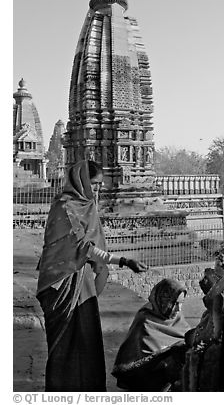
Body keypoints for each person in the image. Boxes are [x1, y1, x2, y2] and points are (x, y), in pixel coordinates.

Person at [36, 159, 148, 392]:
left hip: (82, 280)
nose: (97, 189)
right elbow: (84, 248)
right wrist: (124, 261)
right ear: (82, 181)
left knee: (87, 341)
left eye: (99, 185)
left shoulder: (87, 206)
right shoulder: (64, 207)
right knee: (64, 345)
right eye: (94, 184)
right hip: (61, 282)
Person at [112, 278, 191, 392]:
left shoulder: (177, 318)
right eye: (175, 303)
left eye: (181, 303)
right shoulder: (145, 322)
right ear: (162, 300)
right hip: (148, 381)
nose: (179, 309)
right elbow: (142, 363)